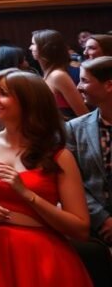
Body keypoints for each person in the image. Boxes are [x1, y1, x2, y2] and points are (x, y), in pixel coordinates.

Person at [0, 69, 92, 287]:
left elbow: (81, 229)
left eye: (3, 93)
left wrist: (26, 194)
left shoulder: (59, 156)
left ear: (29, 103)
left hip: (41, 254)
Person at [66, 56, 112, 243]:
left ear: (109, 85)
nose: (78, 87)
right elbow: (71, 182)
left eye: (84, 80)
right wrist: (102, 219)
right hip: (94, 229)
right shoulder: (74, 128)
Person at [31, 29, 88, 118]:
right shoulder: (50, 73)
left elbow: (84, 115)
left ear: (46, 48)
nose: (30, 48)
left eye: (33, 44)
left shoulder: (58, 76)